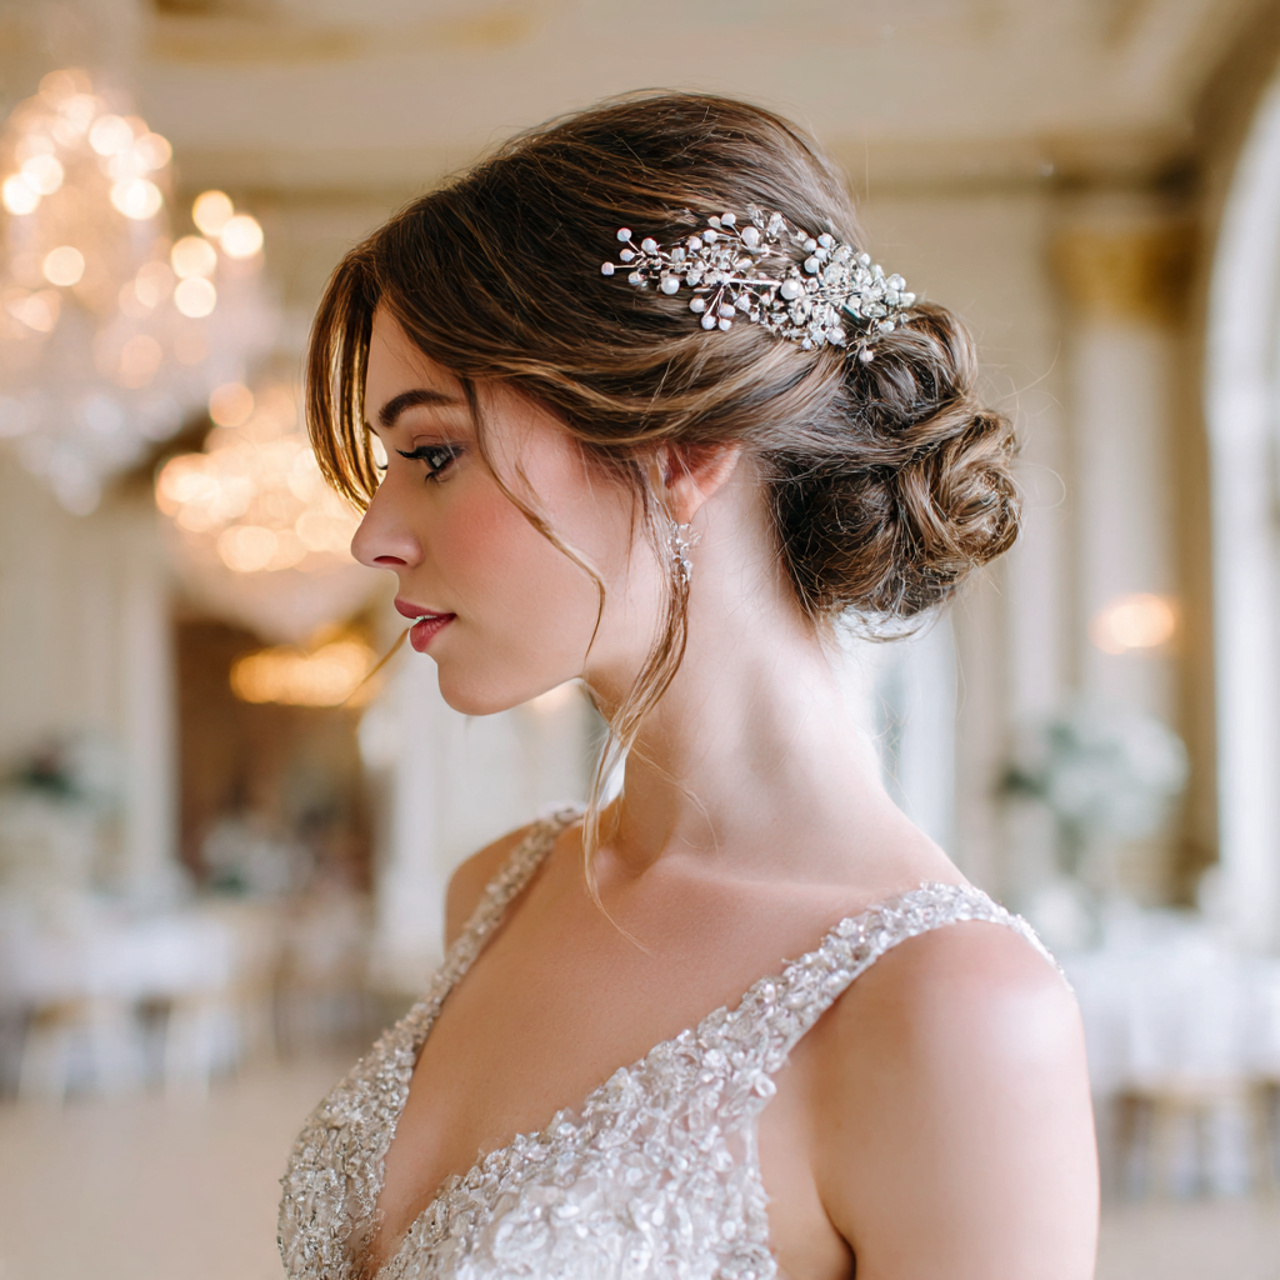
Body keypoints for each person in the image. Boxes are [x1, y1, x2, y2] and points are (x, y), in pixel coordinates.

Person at [278, 92, 1098, 1280]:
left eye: (433, 454)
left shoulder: (948, 1011)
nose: (372, 536)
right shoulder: (494, 894)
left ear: (679, 448)